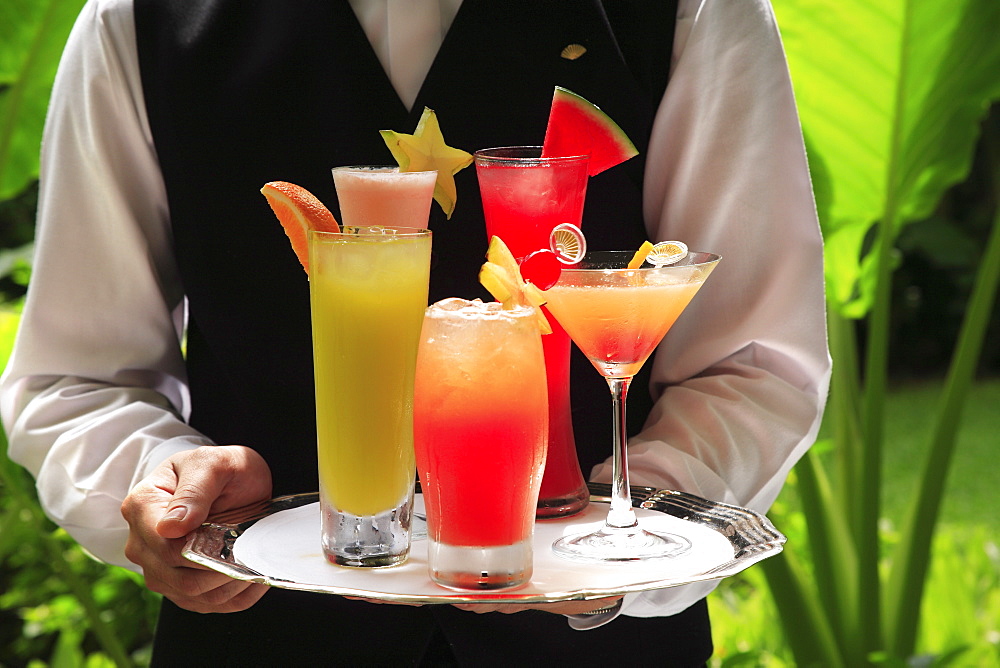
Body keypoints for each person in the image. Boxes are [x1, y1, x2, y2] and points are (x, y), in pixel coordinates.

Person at [0, 0, 830, 664]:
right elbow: (77, 379)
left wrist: (623, 529)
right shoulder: (137, 20)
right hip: (263, 641)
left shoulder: (689, 10)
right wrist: (163, 485)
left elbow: (752, 363)